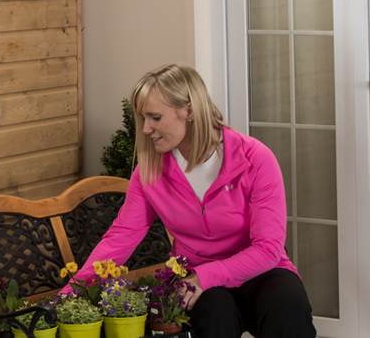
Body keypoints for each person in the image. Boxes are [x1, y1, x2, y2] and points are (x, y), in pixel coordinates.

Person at [68, 63, 315, 338]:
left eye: (155, 117)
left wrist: (206, 277)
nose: (146, 129)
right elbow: (122, 236)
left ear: (189, 111)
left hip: (259, 271)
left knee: (288, 309)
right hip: (193, 275)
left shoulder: (255, 159)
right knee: (214, 314)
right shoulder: (149, 171)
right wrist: (69, 295)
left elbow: (268, 249)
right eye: (143, 119)